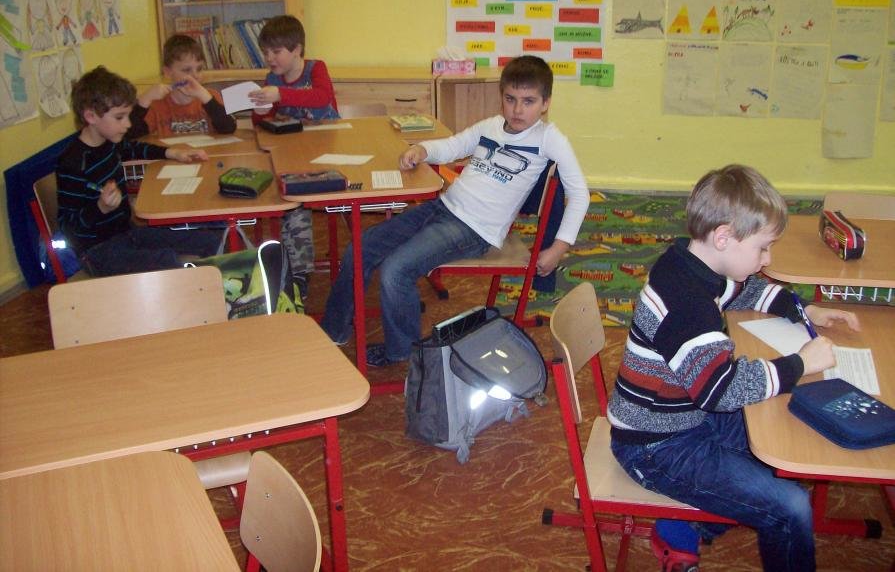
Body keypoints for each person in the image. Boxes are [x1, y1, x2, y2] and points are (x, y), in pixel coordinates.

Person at [606, 164, 861, 572]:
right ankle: (688, 524)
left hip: (685, 416)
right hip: (655, 446)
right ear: (723, 237)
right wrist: (800, 364)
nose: (767, 259)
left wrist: (803, 310)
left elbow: (741, 288)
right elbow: (721, 391)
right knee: (791, 507)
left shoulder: (692, 263)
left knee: (790, 436)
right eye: (763, 248)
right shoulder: (686, 304)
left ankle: (684, 526)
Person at [321, 55, 589, 367]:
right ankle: (333, 331)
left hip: (474, 229)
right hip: (443, 207)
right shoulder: (491, 126)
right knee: (360, 247)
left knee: (396, 270)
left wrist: (559, 248)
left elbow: (579, 195)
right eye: (510, 99)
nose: (517, 110)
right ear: (501, 97)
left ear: (545, 103)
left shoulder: (549, 138)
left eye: (528, 101)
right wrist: (422, 149)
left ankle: (402, 352)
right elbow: (453, 146)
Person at [57, 66, 221, 277]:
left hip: (127, 234)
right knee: (167, 261)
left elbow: (133, 148)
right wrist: (101, 207)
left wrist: (172, 152)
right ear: (91, 116)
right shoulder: (72, 163)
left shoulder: (110, 142)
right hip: (97, 251)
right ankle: (190, 293)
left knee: (208, 241)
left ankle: (215, 290)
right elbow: (68, 228)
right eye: (120, 117)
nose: (127, 124)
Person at [248, 15, 341, 295]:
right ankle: (297, 271)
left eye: (276, 52)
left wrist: (280, 94)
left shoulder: (316, 69)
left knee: (297, 200)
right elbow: (263, 123)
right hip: (291, 154)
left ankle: (299, 271)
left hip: (327, 153)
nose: (269, 58)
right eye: (266, 52)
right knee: (290, 200)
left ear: (297, 49)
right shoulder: (272, 79)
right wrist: (261, 111)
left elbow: (321, 97)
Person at [127, 34, 236, 138]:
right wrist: (144, 100)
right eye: (186, 70)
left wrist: (205, 98)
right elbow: (130, 134)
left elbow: (228, 128)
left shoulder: (210, 97)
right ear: (168, 72)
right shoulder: (158, 104)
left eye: (199, 69)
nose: (195, 76)